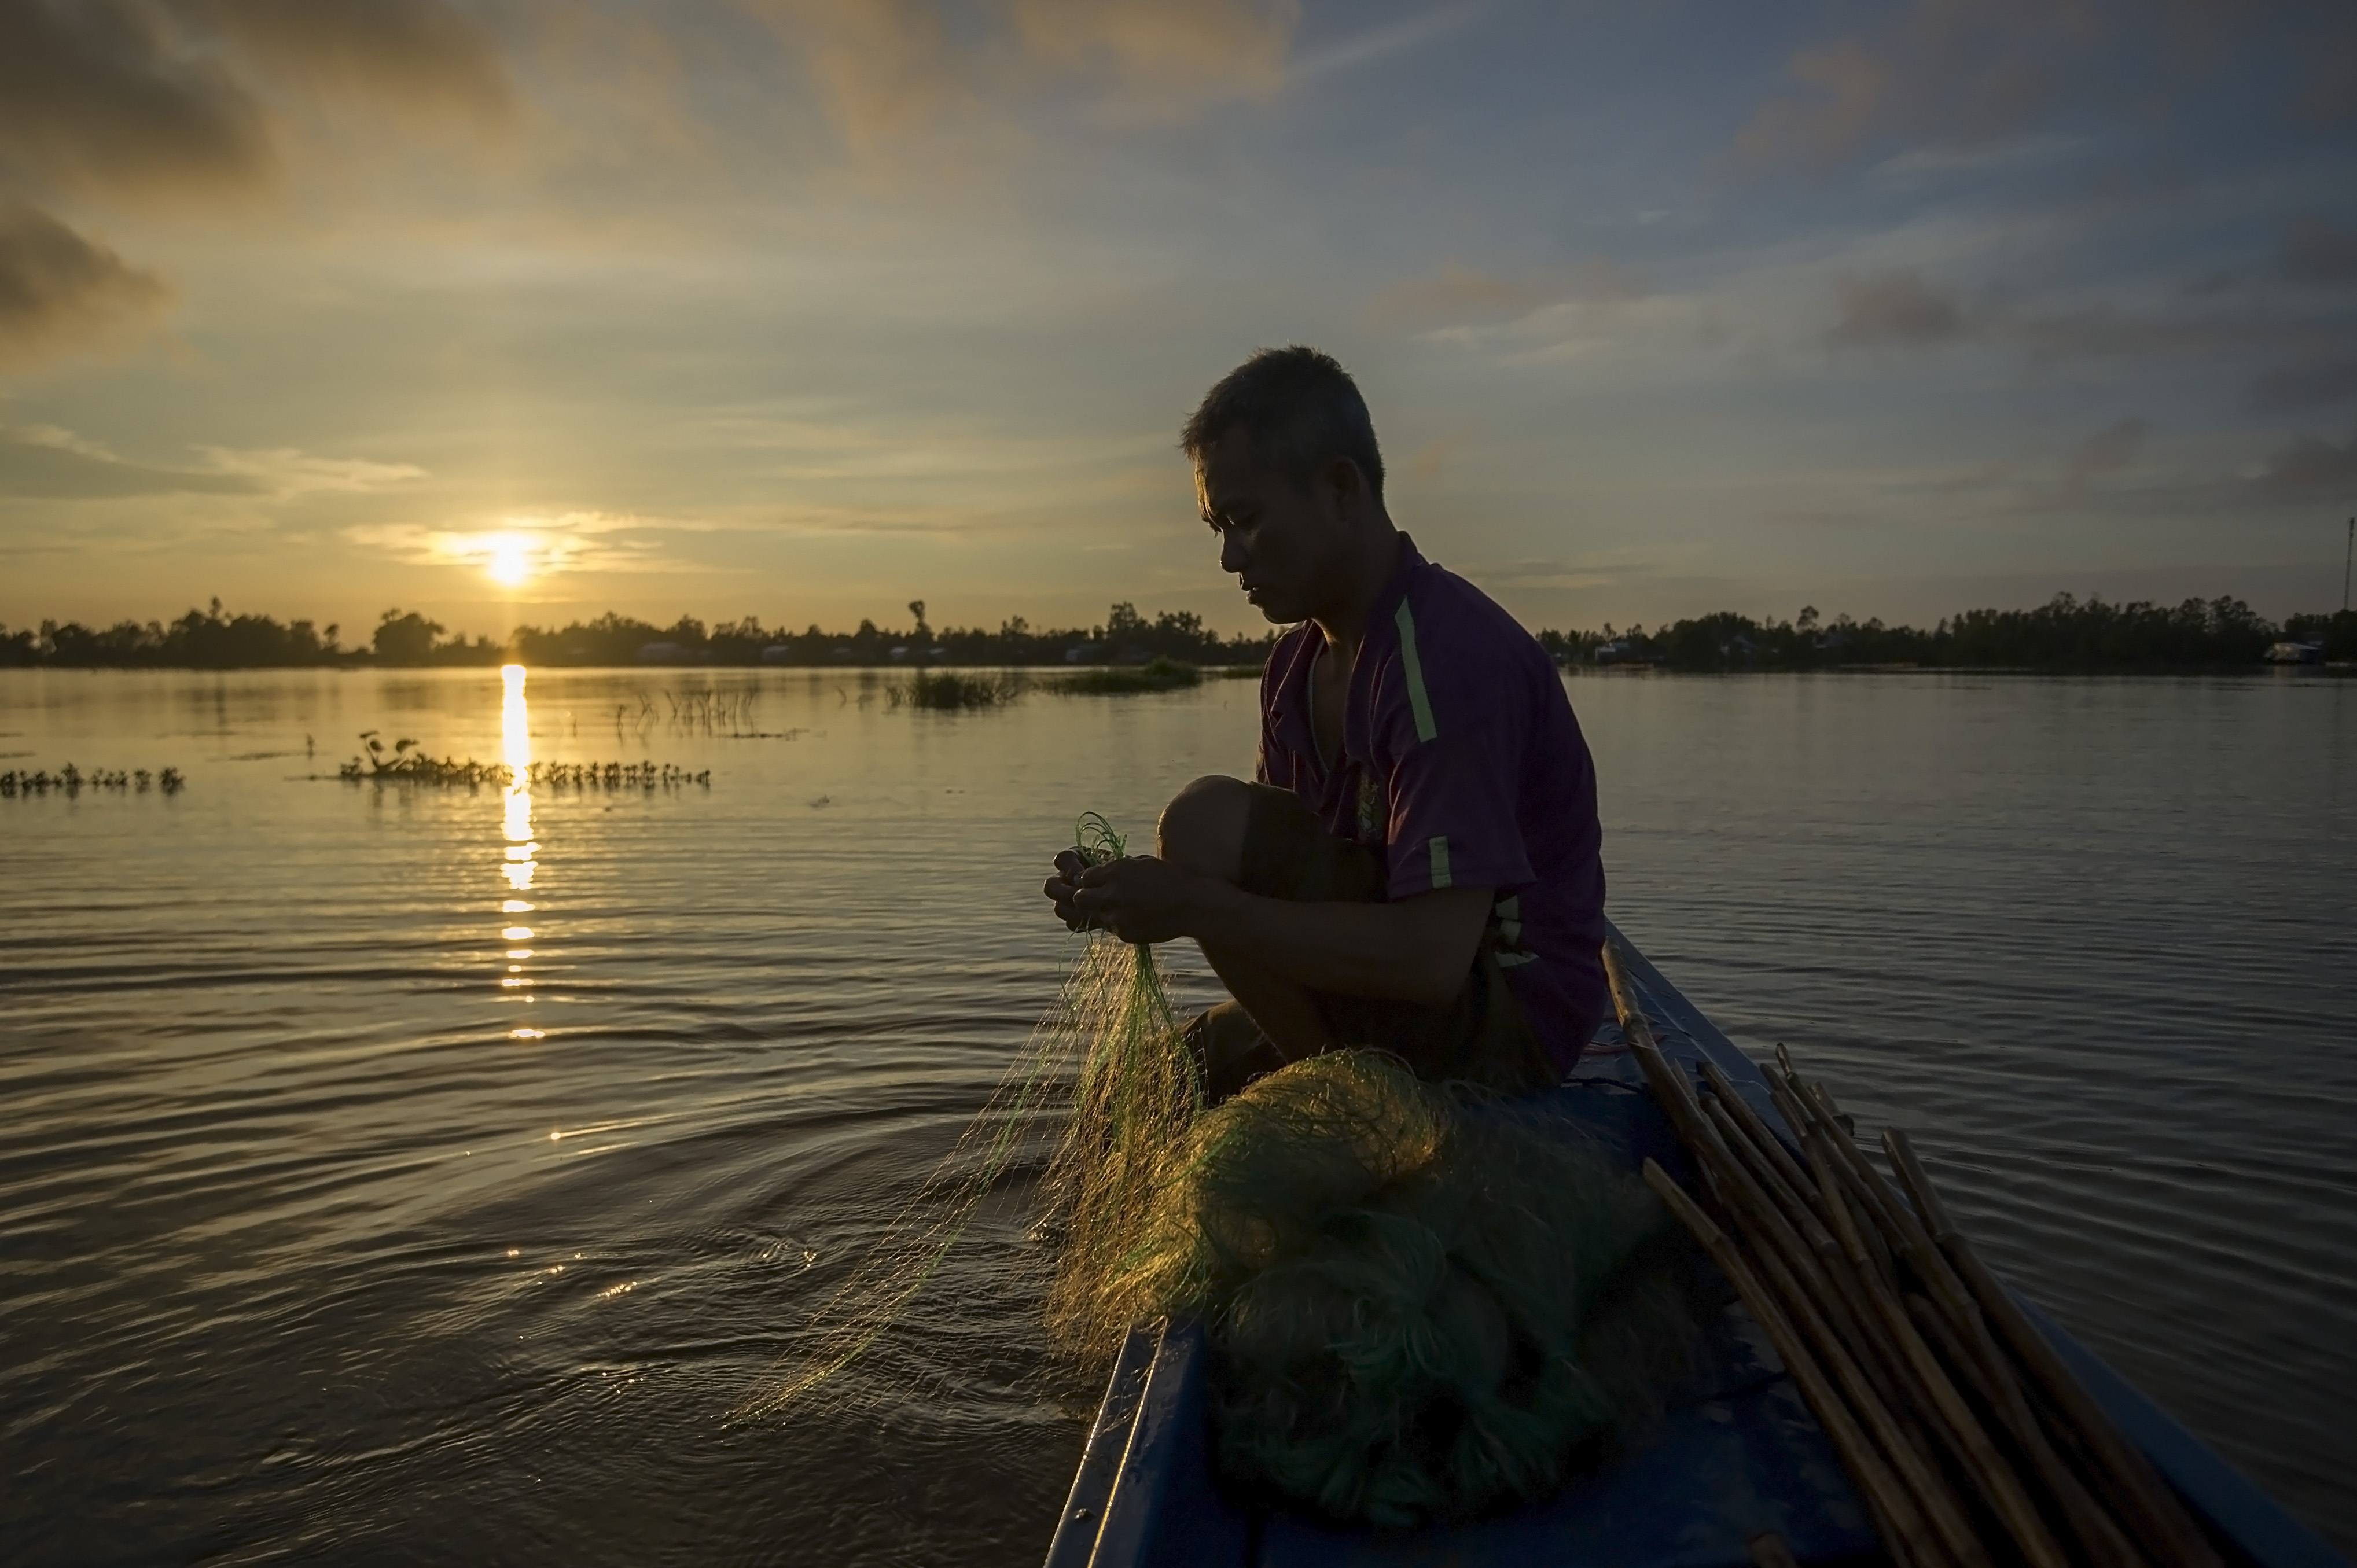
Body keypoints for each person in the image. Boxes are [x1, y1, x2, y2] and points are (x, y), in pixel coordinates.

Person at [1043, 345, 1609, 1102]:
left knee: (1200, 826)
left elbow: (1432, 960)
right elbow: (1283, 901)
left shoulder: (1446, 661)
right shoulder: (1292, 670)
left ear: (1340, 489)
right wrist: (1123, 896)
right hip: (1384, 1001)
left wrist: (1190, 903)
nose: (1228, 557)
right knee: (1132, 1089)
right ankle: (1334, 1086)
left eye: (1245, 520)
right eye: (1216, 526)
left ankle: (1352, 1106)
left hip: (1499, 1017)